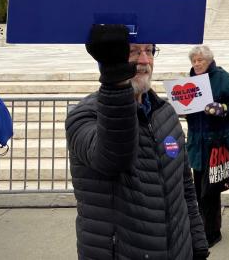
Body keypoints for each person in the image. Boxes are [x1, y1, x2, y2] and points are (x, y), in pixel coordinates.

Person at [65, 24, 209, 259]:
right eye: (133, 51)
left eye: (150, 51)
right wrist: (117, 82)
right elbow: (113, 158)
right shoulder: (85, 116)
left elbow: (184, 187)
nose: (144, 60)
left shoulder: (166, 114)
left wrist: (197, 241)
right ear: (112, 58)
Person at [185, 45, 229, 248]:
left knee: (210, 191)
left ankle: (212, 233)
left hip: (216, 144)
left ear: (209, 61)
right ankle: (202, 228)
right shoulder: (191, 81)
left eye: (200, 60)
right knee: (198, 190)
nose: (196, 64)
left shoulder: (222, 78)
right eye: (194, 61)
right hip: (197, 143)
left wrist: (223, 108)